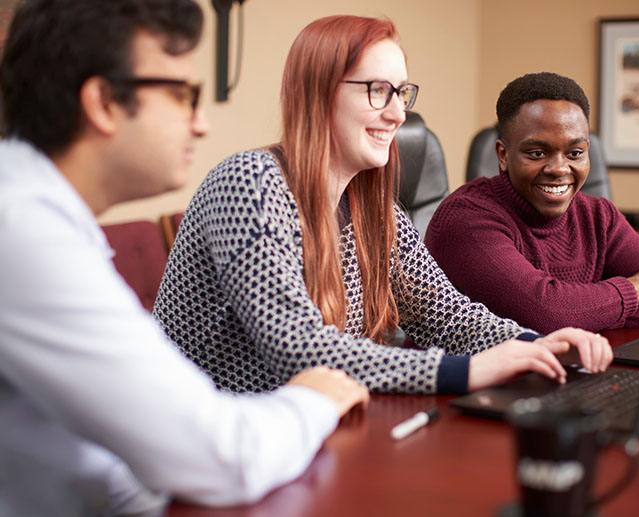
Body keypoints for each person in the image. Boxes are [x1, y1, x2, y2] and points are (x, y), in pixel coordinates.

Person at [0, 1, 370, 515]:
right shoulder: (24, 229)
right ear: (104, 101)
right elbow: (223, 458)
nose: (200, 124)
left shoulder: (44, 216)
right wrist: (316, 396)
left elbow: (120, 460)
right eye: (181, 95)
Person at [153, 16, 612, 401]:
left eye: (401, 93)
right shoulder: (250, 183)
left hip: (308, 437)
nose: (397, 114)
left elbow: (445, 315)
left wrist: (536, 345)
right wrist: (463, 373)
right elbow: (295, 348)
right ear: (319, 93)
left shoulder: (375, 210)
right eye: (377, 90)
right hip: (201, 454)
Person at [425, 72, 639, 334]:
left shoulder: (598, 216)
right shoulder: (466, 218)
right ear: (503, 155)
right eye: (537, 153)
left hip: (564, 369)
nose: (559, 168)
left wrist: (590, 311)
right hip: (459, 374)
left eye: (575, 153)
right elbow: (547, 314)